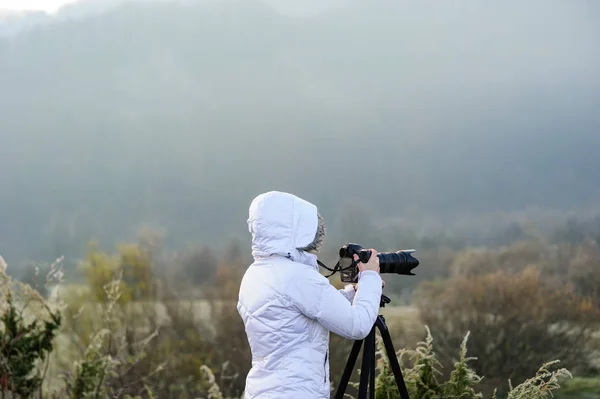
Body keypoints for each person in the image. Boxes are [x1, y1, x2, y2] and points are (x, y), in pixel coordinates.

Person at [237, 191, 383, 398]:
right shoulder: (297, 276)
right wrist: (370, 276)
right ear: (294, 229)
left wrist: (353, 293)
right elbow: (357, 326)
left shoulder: (255, 274)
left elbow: (303, 311)